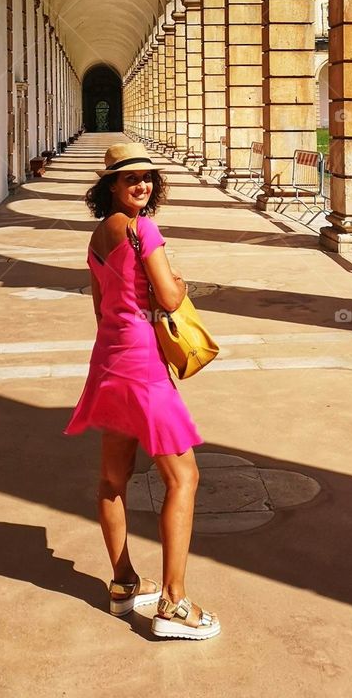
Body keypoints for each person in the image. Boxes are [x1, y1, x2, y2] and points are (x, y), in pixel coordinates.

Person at [63, 142, 221, 640]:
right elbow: (171, 298)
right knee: (184, 478)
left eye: (147, 177)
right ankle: (173, 604)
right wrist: (176, 281)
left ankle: (124, 584)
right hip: (142, 365)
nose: (141, 184)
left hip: (109, 359)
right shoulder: (142, 228)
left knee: (114, 477)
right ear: (110, 185)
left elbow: (99, 308)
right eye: (130, 177)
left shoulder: (95, 237)